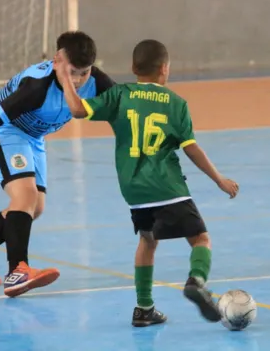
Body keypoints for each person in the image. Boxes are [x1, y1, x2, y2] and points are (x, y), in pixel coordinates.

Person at [56, 39, 240, 327]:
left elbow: (77, 110)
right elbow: (191, 148)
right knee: (201, 239)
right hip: (167, 187)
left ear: (133, 67)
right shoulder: (176, 104)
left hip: (134, 190)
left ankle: (144, 309)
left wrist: (65, 77)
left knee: (147, 239)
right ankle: (197, 281)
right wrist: (219, 179)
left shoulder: (119, 94)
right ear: (165, 69)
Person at [0, 31, 116, 298]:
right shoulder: (36, 87)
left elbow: (124, 108)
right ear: (58, 60)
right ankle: (17, 271)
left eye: (84, 73)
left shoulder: (97, 82)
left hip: (34, 137)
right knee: (24, 197)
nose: (79, 79)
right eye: (72, 72)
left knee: (33, 208)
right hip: (7, 129)